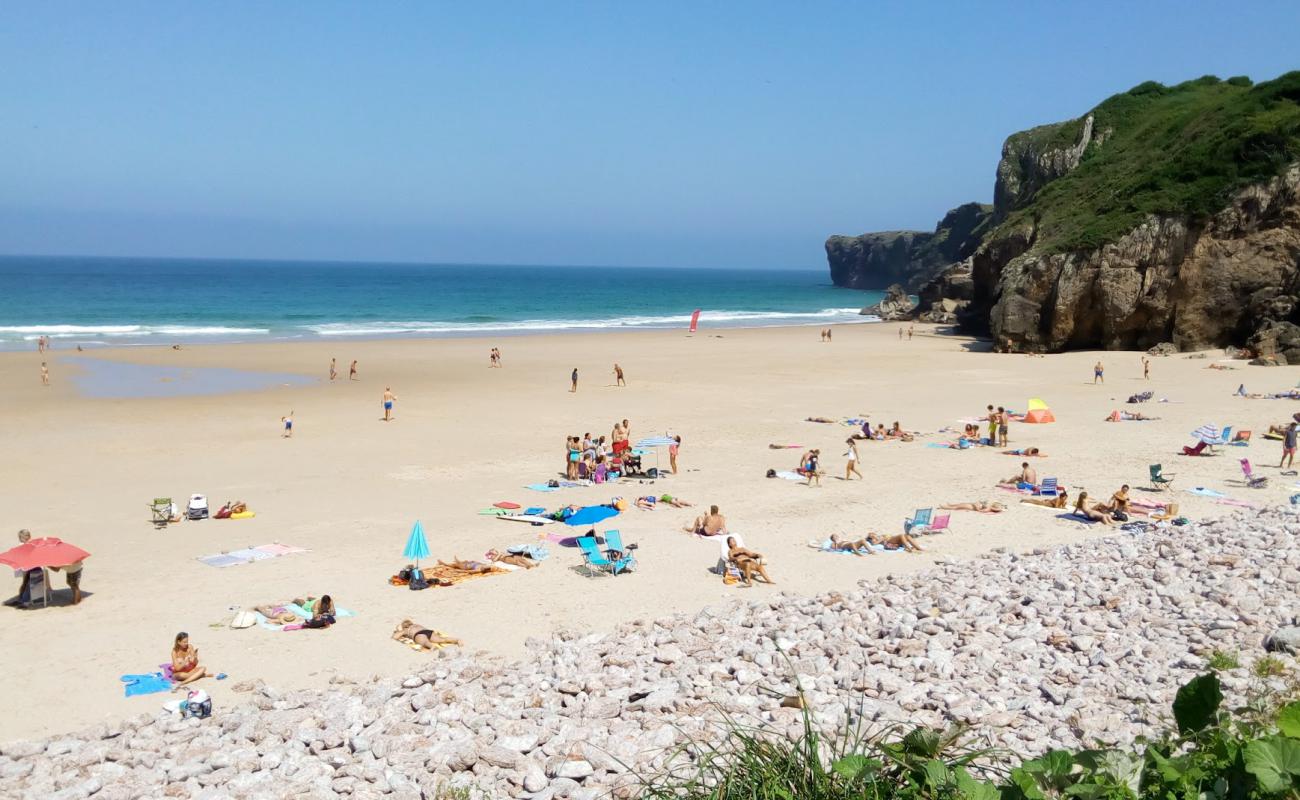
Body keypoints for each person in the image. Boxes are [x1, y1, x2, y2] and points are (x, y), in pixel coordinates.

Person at [393, 620, 461, 650]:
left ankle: (432, 646)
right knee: (441, 639)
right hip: (428, 631)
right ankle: (457, 640)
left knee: (425, 642)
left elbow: (395, 637)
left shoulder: (406, 630)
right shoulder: (417, 625)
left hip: (418, 634)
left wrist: (399, 631)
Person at [940, 500, 1006, 513]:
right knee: (960, 504)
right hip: (972, 505)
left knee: (957, 507)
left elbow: (980, 511)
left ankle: (944, 507)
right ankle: (949, 504)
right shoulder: (990, 505)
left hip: (971, 507)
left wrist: (976, 505)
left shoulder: (988, 509)